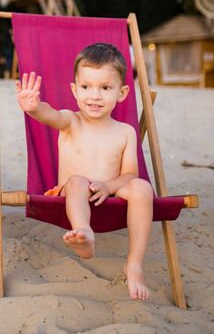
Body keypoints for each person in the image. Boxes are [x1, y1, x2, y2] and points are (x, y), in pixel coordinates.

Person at [16, 43, 153, 300]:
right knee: (78, 180)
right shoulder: (71, 120)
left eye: (105, 88)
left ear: (122, 93)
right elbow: (51, 116)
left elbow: (130, 175)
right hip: (71, 194)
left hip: (108, 195)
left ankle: (134, 265)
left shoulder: (126, 132)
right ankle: (84, 233)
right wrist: (34, 108)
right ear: (74, 90)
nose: (95, 96)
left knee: (143, 187)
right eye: (86, 87)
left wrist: (108, 187)